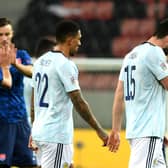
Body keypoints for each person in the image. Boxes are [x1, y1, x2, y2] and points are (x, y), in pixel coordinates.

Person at [28, 20, 108, 168]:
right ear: (70, 41)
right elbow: (78, 102)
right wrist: (99, 130)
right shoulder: (65, 65)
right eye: (79, 39)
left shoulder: (39, 62)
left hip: (40, 133)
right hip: (55, 135)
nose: (80, 43)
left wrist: (34, 128)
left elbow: (34, 101)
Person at [107, 18, 168, 168]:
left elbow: (119, 94)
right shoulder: (154, 53)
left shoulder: (131, 55)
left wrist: (115, 129)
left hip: (137, 130)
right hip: (148, 132)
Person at [0, 17, 38, 168]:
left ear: (12, 34)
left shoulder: (21, 55)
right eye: (0, 35)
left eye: (7, 34)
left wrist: (15, 63)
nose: (4, 38)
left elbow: (33, 72)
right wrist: (5, 65)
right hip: (2, 120)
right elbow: (7, 84)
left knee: (30, 163)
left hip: (21, 119)